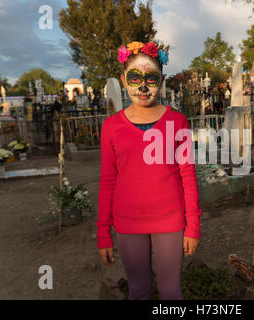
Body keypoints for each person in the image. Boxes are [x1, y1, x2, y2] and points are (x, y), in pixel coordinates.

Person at [96, 41, 202, 300]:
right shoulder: (111, 127)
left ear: (162, 80)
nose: (143, 87)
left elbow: (187, 175)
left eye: (151, 78)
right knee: (138, 289)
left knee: (170, 291)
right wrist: (102, 233)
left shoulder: (177, 122)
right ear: (123, 80)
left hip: (170, 219)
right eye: (135, 78)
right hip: (127, 221)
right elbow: (108, 180)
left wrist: (193, 226)